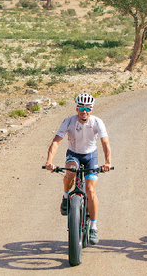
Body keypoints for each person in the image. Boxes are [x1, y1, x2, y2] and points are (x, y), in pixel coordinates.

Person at [45, 92, 112, 245]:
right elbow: (56, 141)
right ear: (76, 109)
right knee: (70, 171)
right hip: (74, 154)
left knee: (91, 190)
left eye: (88, 108)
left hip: (90, 156)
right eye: (81, 108)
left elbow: (105, 143)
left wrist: (108, 162)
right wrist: (49, 161)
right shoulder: (69, 121)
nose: (84, 111)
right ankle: (66, 196)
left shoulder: (97, 122)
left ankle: (93, 227)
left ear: (91, 109)